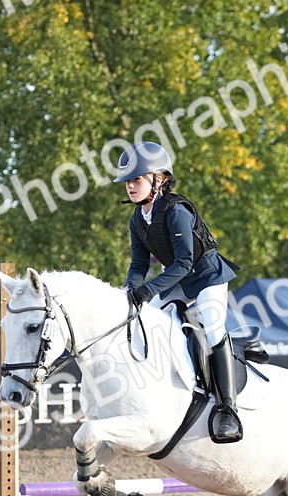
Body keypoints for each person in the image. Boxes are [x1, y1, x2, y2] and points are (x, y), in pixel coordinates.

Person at [113, 141, 242, 444]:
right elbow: (139, 263)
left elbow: (184, 261)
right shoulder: (137, 219)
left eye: (137, 179)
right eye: (128, 182)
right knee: (145, 319)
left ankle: (227, 409)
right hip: (178, 280)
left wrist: (149, 289)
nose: (130, 186)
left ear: (158, 180)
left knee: (211, 327)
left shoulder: (176, 211)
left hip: (207, 277)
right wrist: (131, 288)